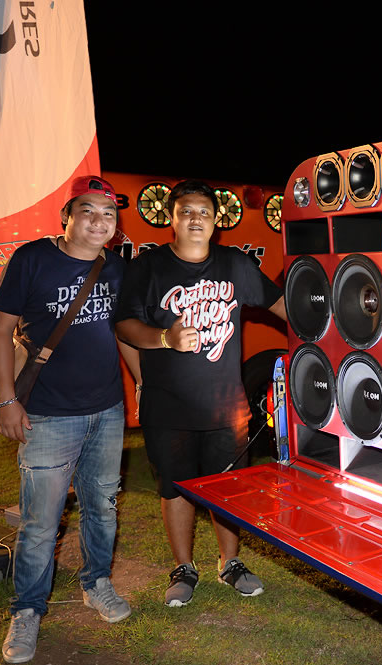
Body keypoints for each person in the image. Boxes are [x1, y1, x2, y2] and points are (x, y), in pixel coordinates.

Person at [0, 175, 141, 664]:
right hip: (47, 415)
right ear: (66, 217)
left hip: (107, 409)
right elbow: (0, 331)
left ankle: (96, 584)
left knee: (103, 507)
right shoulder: (32, 258)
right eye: (88, 211)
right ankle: (27, 609)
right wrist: (6, 401)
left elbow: (122, 331)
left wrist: (141, 382)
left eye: (108, 214)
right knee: (40, 522)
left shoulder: (115, 267)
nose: (99, 221)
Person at [115, 179, 286, 607]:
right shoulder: (148, 267)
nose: (196, 219)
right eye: (186, 211)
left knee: (228, 487)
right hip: (167, 404)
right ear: (171, 218)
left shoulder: (235, 265)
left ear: (217, 221)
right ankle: (183, 567)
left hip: (225, 405)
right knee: (175, 487)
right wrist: (165, 338)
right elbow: (124, 325)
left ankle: (230, 563)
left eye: (204, 212)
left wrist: (327, 331)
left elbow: (282, 306)